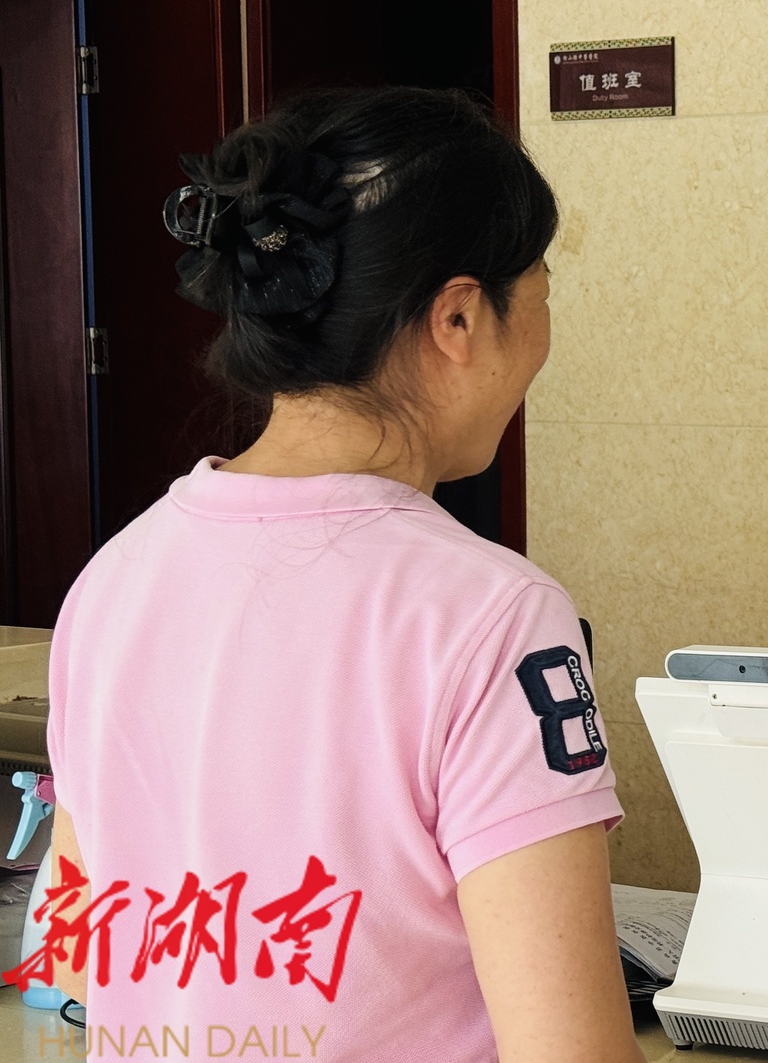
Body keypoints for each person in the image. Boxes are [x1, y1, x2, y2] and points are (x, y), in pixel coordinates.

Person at [38, 88, 644, 1063]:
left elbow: (75, 956)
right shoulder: (493, 617)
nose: (543, 332)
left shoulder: (113, 581)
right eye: (541, 290)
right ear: (459, 317)